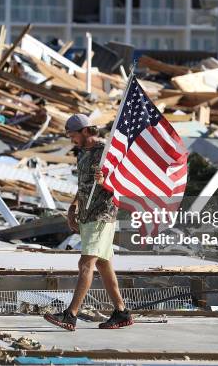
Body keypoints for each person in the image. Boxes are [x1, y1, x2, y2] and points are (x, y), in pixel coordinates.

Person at [43, 114, 133, 331]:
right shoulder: (82, 153)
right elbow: (83, 185)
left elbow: (123, 181)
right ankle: (121, 312)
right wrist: (73, 207)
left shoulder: (106, 151)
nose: (71, 139)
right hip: (87, 215)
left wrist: (107, 182)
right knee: (103, 264)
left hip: (102, 215)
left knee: (85, 264)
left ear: (84, 131)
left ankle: (70, 314)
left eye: (72, 135)